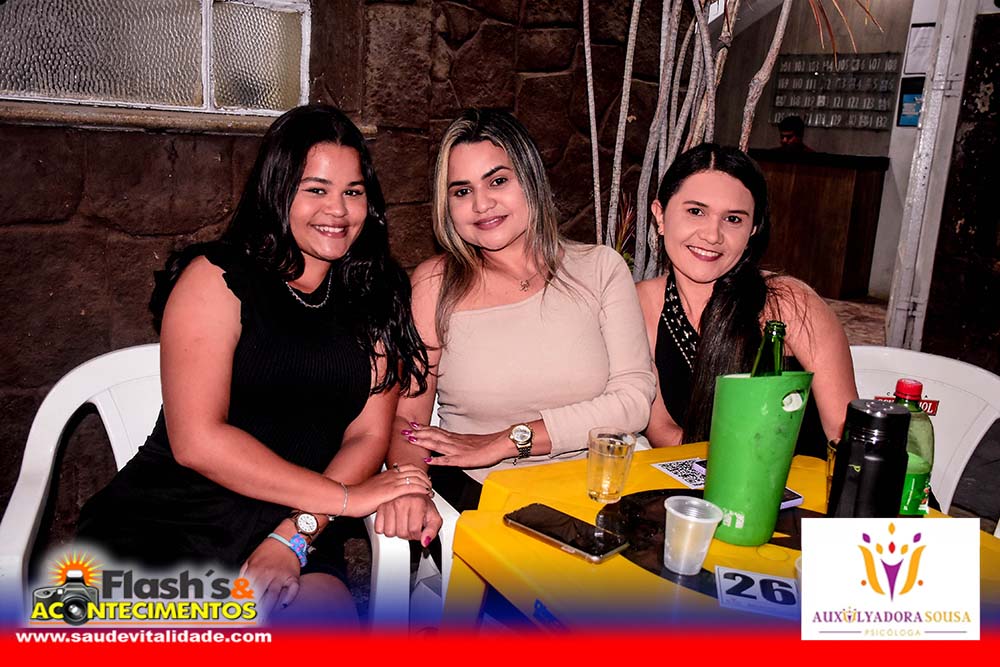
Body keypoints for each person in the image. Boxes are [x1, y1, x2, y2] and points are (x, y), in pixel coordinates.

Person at [76, 104, 433, 625]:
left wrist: (294, 536)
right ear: (277, 189)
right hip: (173, 519)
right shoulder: (215, 279)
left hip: (298, 520)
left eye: (353, 192)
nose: (337, 210)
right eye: (316, 189)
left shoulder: (377, 295)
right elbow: (198, 441)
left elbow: (367, 436)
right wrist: (343, 499)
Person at [376, 109, 656, 543]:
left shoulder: (600, 268)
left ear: (530, 179)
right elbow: (409, 419)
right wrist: (410, 487)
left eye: (498, 181)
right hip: (488, 492)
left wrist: (509, 440)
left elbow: (633, 401)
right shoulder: (434, 286)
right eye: (462, 191)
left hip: (603, 487)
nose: (481, 204)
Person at [635, 143, 857, 455]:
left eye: (733, 219)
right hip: (703, 477)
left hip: (801, 477)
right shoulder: (641, 303)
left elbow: (845, 433)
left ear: (753, 229)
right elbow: (663, 431)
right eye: (696, 211)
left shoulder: (789, 303)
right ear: (660, 215)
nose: (712, 235)